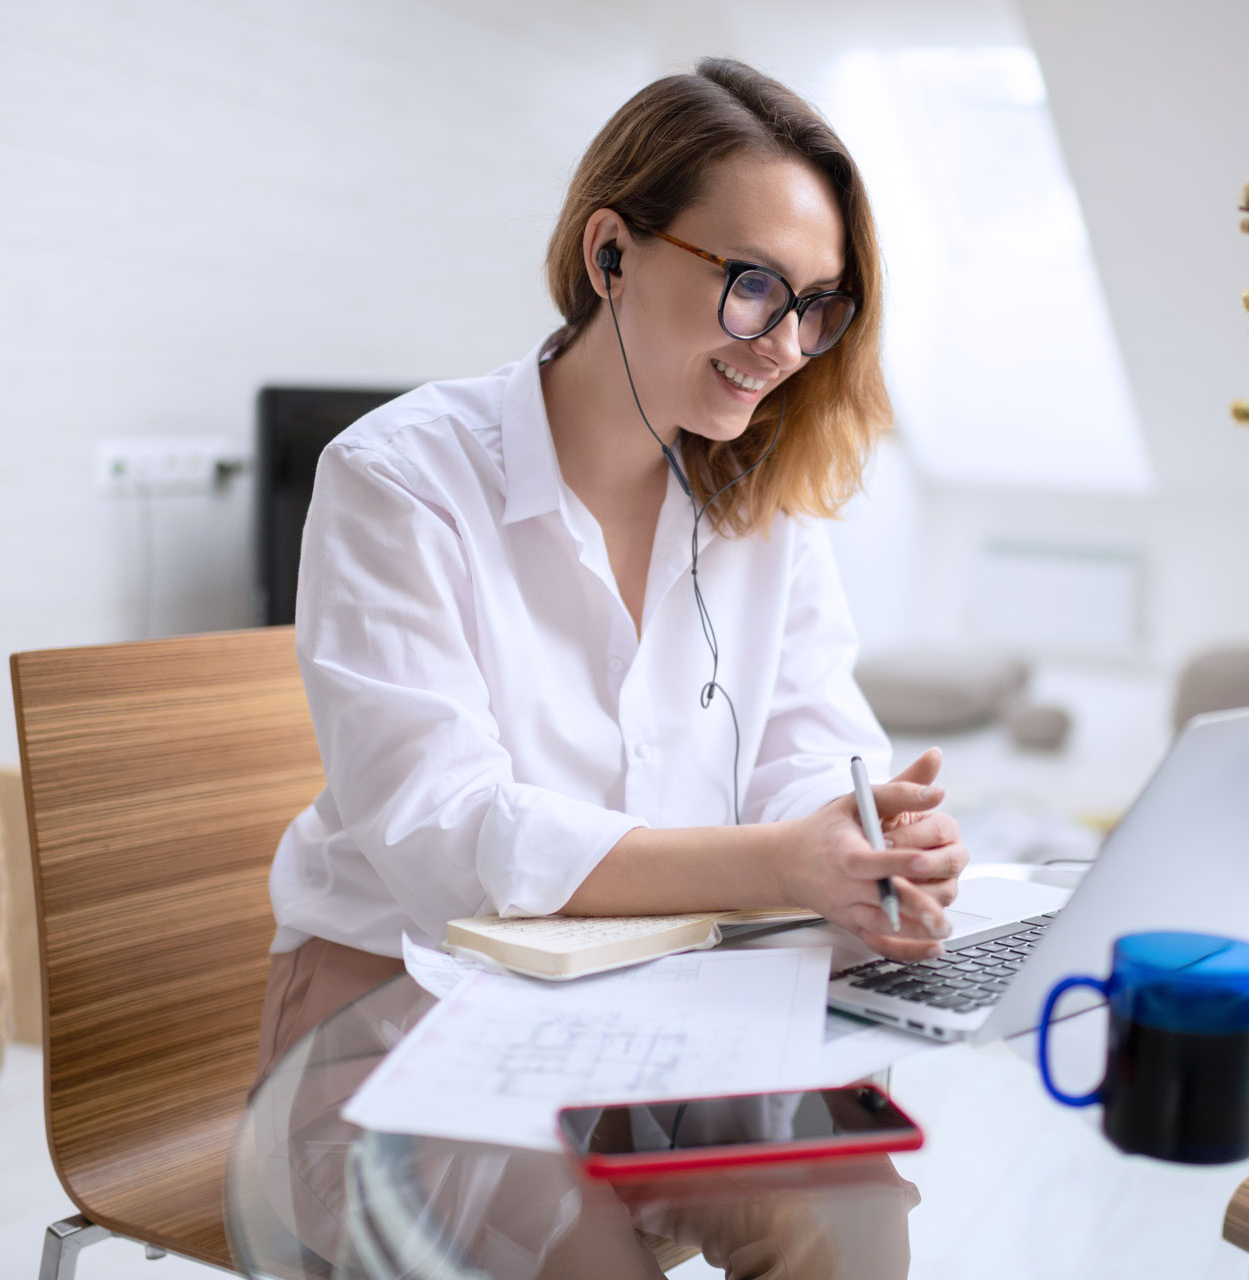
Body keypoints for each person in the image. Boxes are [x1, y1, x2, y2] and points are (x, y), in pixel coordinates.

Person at [248, 56, 967, 1277]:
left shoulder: (765, 509)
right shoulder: (401, 479)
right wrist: (780, 862)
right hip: (398, 1024)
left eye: (820, 304)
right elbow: (442, 837)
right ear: (611, 254)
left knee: (853, 1221)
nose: (786, 344)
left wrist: (864, 838)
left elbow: (807, 745)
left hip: (665, 1020)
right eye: (751, 287)